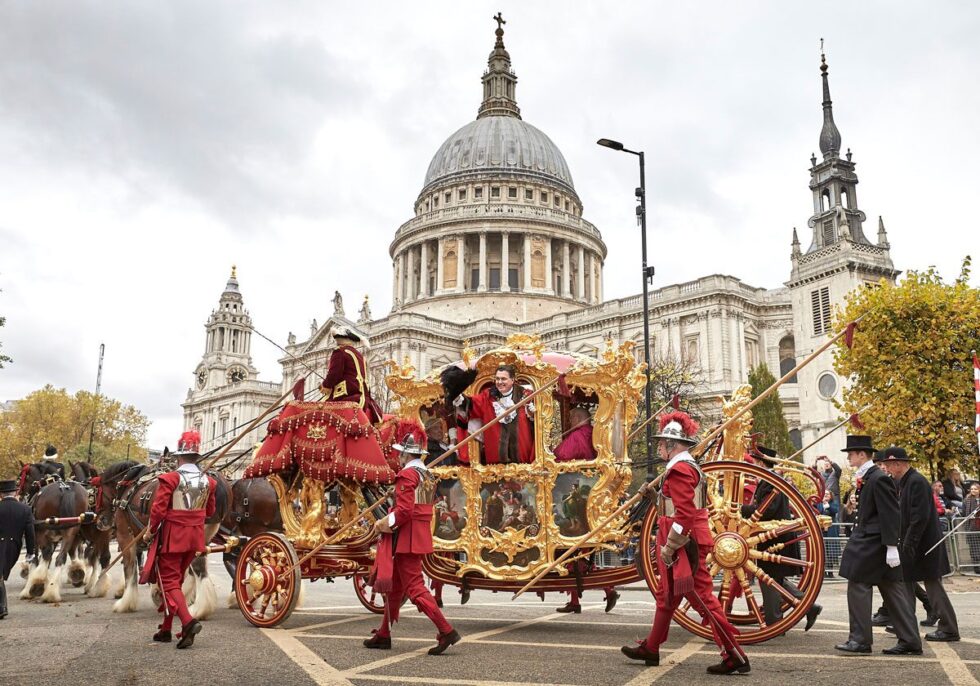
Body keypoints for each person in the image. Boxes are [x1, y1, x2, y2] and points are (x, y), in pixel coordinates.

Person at [621, 411, 748, 675]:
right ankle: (652, 647)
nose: (658, 447)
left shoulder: (679, 469)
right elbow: (675, 506)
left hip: (683, 543)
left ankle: (734, 654)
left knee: (702, 599)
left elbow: (685, 514)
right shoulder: (684, 466)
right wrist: (656, 495)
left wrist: (670, 546)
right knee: (666, 597)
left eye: (661, 443)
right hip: (684, 539)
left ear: (672, 445)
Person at [365, 423, 460, 655]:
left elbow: (405, 510)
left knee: (415, 588)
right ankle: (384, 634)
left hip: (406, 536)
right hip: (417, 534)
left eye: (400, 453)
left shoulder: (408, 474)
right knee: (395, 588)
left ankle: (446, 630)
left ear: (407, 454)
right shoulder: (425, 473)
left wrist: (383, 524)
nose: (398, 457)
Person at [835, 435, 921, 656]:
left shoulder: (877, 478)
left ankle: (860, 640)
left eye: (851, 454)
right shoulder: (869, 477)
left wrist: (892, 546)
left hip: (872, 543)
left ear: (862, 454)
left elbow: (891, 513)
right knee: (892, 590)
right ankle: (910, 640)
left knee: (857, 585)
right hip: (873, 541)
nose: (849, 458)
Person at [139, 444, 216, 649]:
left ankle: (188, 622)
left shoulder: (170, 479)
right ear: (196, 457)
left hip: (173, 537)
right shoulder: (209, 481)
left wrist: (149, 532)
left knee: (168, 581)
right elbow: (210, 511)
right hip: (195, 538)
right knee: (176, 582)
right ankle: (165, 629)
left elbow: (158, 510)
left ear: (179, 458)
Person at [877, 446, 958, 641]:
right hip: (914, 543)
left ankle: (948, 629)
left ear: (898, 464)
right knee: (906, 585)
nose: (886, 469)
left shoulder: (915, 482)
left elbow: (918, 517)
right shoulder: (905, 482)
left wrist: (909, 544)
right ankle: (905, 626)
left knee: (933, 587)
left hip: (923, 545)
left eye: (888, 465)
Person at [741, 446, 822, 631]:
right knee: (774, 579)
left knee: (768, 578)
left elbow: (766, 510)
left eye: (754, 461)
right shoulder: (769, 481)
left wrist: (740, 509)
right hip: (773, 537)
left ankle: (775, 623)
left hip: (776, 539)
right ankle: (808, 607)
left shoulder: (770, 482)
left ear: (760, 462)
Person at [455, 364, 534, 464]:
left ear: (512, 380)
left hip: (523, 459)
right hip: (495, 462)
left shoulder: (526, 395)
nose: (499, 382)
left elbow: (539, 423)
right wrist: (460, 399)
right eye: (497, 379)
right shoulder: (487, 395)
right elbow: (472, 405)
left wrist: (532, 415)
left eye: (503, 379)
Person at [322, 326, 382, 424]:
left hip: (346, 394)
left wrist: (325, 385)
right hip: (363, 395)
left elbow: (334, 375)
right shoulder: (359, 355)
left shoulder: (339, 352)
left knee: (319, 409)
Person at [0, 479, 36, 619]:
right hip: (14, 546)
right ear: (15, 493)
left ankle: (2, 607)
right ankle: (2, 607)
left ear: (1, 494)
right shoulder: (25, 509)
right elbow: (30, 533)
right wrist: (30, 552)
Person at [962, 483, 980, 574]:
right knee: (974, 548)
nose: (973, 490)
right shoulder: (967, 500)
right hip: (972, 527)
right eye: (972, 489)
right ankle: (977, 568)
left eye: (975, 489)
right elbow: (964, 512)